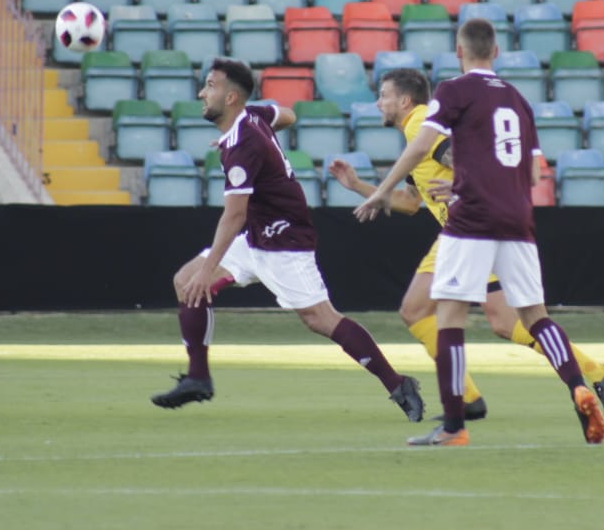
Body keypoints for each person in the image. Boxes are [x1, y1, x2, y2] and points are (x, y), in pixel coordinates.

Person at [354, 19, 604, 448]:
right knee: (536, 317)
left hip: (470, 219)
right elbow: (532, 171)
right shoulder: (519, 100)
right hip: (518, 219)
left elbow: (422, 147)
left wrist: (380, 191)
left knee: (449, 318)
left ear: (459, 51)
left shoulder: (452, 91)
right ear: (496, 52)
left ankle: (454, 425)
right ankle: (579, 385)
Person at [150, 58, 425, 424]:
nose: (202, 92)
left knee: (321, 319)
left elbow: (233, 215)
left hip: (284, 242)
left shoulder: (242, 145)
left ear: (231, 97)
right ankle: (198, 377)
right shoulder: (253, 115)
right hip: (256, 236)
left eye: (211, 86)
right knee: (186, 280)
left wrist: (210, 269)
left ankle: (398, 384)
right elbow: (290, 115)